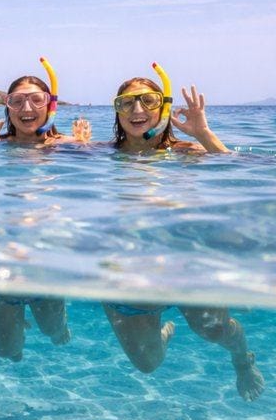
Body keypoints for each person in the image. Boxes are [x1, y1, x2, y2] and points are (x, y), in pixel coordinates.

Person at [102, 63, 264, 400]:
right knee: (147, 364)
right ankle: (163, 333)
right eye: (126, 103)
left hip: (186, 266)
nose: (137, 110)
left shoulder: (185, 153)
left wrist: (203, 134)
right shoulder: (100, 154)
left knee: (217, 332)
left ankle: (242, 360)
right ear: (116, 112)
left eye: (148, 101)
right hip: (130, 276)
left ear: (162, 107)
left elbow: (244, 173)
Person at [0, 60, 86, 360]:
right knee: (7, 351)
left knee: (55, 334)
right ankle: (15, 329)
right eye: (16, 101)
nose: (26, 107)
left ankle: (55, 327)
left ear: (50, 106)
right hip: (0, 266)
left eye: (36, 99)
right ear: (8, 108)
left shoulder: (68, 147)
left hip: (46, 265)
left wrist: (83, 148)